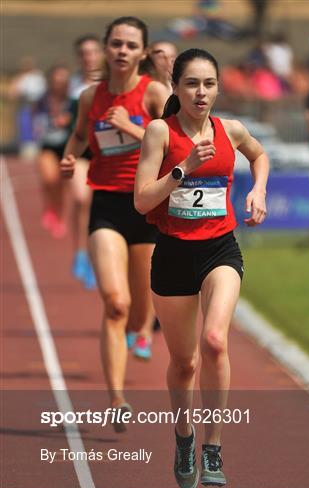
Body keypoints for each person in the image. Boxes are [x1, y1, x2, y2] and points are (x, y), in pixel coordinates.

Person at [134, 48, 269, 488]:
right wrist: (183, 168)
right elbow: (142, 201)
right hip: (173, 256)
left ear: (218, 88)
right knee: (184, 362)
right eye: (192, 83)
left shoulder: (231, 130)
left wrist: (258, 191)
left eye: (209, 83)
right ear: (175, 87)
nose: (201, 92)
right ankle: (183, 436)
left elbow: (259, 154)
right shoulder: (159, 131)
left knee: (214, 341)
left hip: (220, 251)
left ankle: (213, 445)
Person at [60, 17, 169, 418]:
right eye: (116, 44)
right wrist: (71, 156)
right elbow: (78, 135)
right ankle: (117, 398)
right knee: (115, 303)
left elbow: (177, 146)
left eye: (130, 45)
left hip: (145, 207)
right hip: (105, 205)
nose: (122, 51)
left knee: (141, 311)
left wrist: (132, 128)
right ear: (106, 49)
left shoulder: (153, 92)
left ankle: (142, 332)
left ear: (142, 52)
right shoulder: (92, 97)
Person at [68, 34, 104, 289]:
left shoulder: (110, 83)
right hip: (82, 153)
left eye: (93, 52)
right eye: (84, 53)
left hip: (106, 154)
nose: (89, 57)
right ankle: (80, 252)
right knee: (81, 199)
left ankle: (94, 257)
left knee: (96, 206)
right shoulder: (73, 86)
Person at [35, 64, 72, 238]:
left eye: (62, 80)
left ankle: (60, 215)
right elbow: (36, 117)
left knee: (62, 184)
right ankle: (50, 206)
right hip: (48, 144)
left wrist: (68, 120)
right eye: (56, 79)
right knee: (49, 178)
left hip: (66, 145)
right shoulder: (42, 99)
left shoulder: (72, 101)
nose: (59, 83)